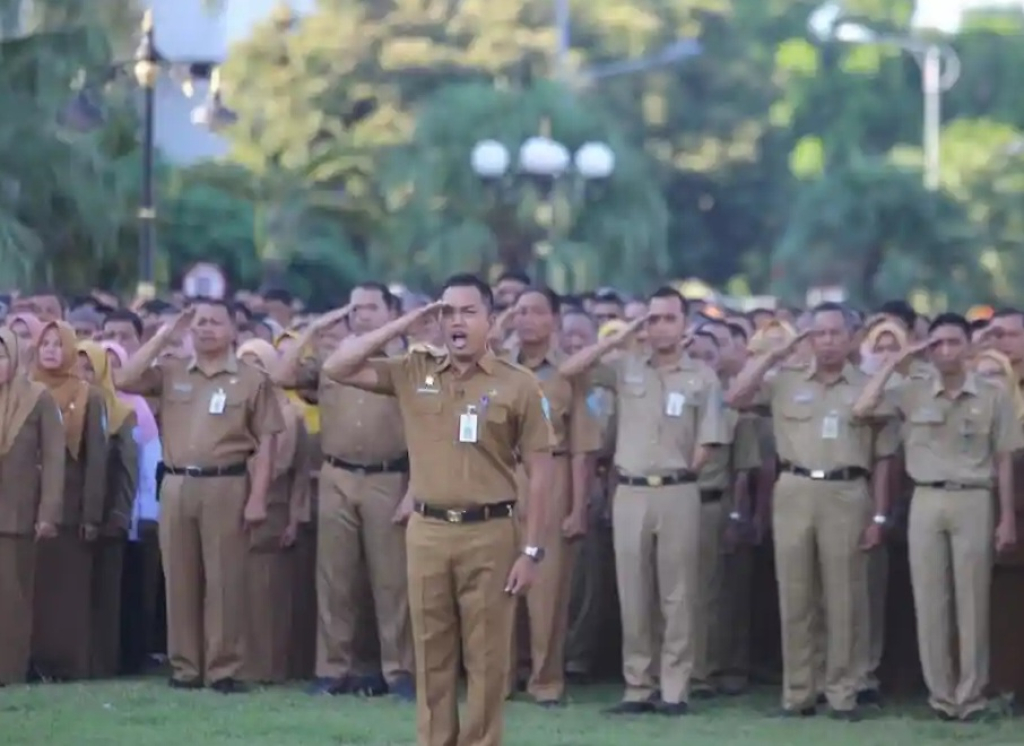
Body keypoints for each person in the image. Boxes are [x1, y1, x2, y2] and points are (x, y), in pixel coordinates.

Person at [322, 273, 554, 746]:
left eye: (469, 312)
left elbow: (542, 471)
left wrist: (531, 550)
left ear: (492, 321)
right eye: (448, 312)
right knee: (431, 654)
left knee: (487, 659)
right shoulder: (414, 370)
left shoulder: (519, 384)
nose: (457, 322)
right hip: (427, 530)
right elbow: (338, 367)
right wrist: (405, 323)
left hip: (490, 532)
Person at [559, 287, 728, 716]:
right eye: (652, 319)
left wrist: (682, 468)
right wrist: (618, 337)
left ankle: (675, 688)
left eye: (669, 318)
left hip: (677, 491)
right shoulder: (625, 368)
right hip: (630, 491)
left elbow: (710, 437)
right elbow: (569, 370)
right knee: (633, 592)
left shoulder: (702, 377)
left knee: (677, 593)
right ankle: (638, 686)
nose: (659, 327)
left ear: (685, 324)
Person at [852, 312, 1022, 721]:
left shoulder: (992, 394)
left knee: (972, 600)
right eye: (938, 344)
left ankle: (971, 695)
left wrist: (1007, 518)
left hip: (974, 498)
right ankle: (941, 696)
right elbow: (861, 408)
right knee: (930, 599)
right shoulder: (913, 390)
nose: (945, 351)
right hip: (927, 498)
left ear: (968, 347)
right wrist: (896, 361)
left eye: (953, 342)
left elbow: (1003, 459)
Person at [728, 302, 892, 720]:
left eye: (836, 333)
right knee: (796, 596)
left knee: (844, 597)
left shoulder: (869, 385)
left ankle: (842, 693)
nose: (828, 342)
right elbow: (736, 395)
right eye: (818, 334)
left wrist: (878, 516)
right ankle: (799, 693)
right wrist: (776, 352)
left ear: (853, 338)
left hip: (846, 490)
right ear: (808, 338)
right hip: (795, 488)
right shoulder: (786, 381)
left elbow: (886, 456)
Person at [114, 300, 284, 692]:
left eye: (214, 322)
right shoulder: (172, 371)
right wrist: (163, 335)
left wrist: (258, 497)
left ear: (233, 330)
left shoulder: (250, 379)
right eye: (199, 322)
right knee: (179, 577)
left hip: (226, 482)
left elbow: (269, 441)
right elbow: (123, 378)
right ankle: (186, 668)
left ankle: (224, 669)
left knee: (224, 579)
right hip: (175, 483)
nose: (205, 328)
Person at [274, 283, 415, 699]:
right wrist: (313, 329)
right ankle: (333, 670)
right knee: (334, 578)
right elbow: (281, 376)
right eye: (355, 307)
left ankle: (399, 671)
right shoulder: (331, 360)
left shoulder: (406, 363)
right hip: (336, 475)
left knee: (393, 582)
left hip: (389, 476)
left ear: (392, 313)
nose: (361, 314)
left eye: (372, 307)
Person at [501, 288, 600, 705]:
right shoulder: (498, 367)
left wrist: (578, 507)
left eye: (536, 312)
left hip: (554, 473)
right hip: (504, 475)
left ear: (555, 320)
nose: (525, 320)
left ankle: (545, 680)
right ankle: (500, 678)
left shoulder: (570, 373)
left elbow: (583, 447)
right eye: (519, 312)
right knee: (498, 583)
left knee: (547, 585)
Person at [31, 320, 108, 681]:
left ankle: (66, 664)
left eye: (57, 343)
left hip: (71, 504)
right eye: (44, 343)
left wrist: (91, 514)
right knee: (31, 588)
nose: (49, 350)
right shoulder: (23, 390)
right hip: (25, 503)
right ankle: (29, 659)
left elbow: (97, 458)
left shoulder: (88, 394)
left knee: (67, 591)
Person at [237, 339, 311, 685]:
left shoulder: (288, 413)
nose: (252, 372)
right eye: (245, 363)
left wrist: (296, 518)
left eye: (259, 364)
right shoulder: (234, 406)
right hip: (231, 507)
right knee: (237, 592)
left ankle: (267, 668)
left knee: (267, 594)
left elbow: (290, 470)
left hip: (272, 511)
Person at [0, 327, 65, 686]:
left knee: (11, 597)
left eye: (1, 355)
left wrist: (48, 513)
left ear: (15, 357)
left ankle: (8, 670)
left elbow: (54, 459)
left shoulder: (36, 397)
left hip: (16, 513)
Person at [77, 341, 138, 678]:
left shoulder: (120, 414)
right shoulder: (67, 408)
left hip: (109, 515)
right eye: (78, 368)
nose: (82, 376)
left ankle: (103, 663)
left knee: (105, 593)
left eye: (90, 369)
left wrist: (119, 514)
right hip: (76, 513)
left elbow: (128, 469)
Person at [102, 341, 162, 675]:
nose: (110, 372)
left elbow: (149, 467)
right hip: (97, 511)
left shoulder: (136, 407)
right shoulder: (87, 403)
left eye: (116, 363)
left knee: (132, 587)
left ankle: (133, 655)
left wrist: (146, 514)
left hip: (135, 514)